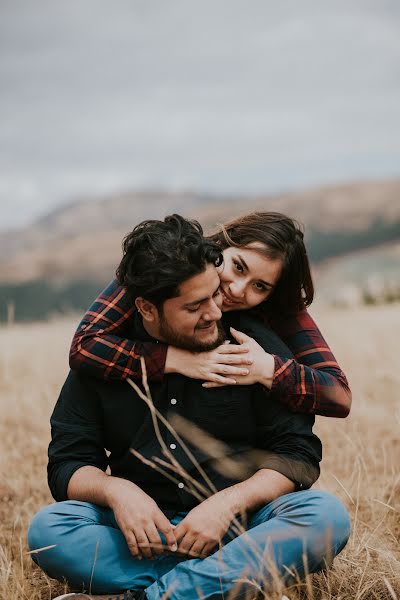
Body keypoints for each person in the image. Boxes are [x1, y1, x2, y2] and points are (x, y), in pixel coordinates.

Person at [27, 215, 350, 600]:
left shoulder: (253, 348)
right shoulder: (105, 356)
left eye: (217, 294)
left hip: (242, 527)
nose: (220, 306)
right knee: (49, 531)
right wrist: (118, 492)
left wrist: (226, 505)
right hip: (142, 531)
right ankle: (226, 578)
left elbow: (299, 451)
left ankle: (150, 595)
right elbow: (68, 461)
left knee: (324, 517)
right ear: (146, 308)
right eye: (197, 304)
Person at [69, 212, 351, 418]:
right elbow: (84, 345)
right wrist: (179, 360)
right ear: (222, 244)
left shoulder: (277, 307)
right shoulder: (165, 269)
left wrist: (267, 369)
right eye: (238, 267)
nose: (238, 290)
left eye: (260, 286)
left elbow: (339, 396)